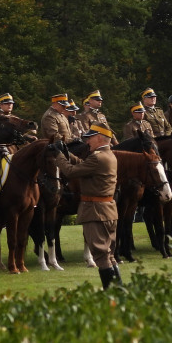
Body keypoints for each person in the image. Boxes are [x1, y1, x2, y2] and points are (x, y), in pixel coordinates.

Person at [51, 124, 121, 289]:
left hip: (95, 210)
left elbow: (71, 172)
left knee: (100, 254)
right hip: (108, 209)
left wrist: (58, 155)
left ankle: (111, 292)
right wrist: (68, 154)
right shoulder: (108, 155)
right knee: (109, 254)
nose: (87, 141)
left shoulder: (97, 157)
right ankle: (119, 289)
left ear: (99, 138)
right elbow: (83, 165)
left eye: (89, 138)